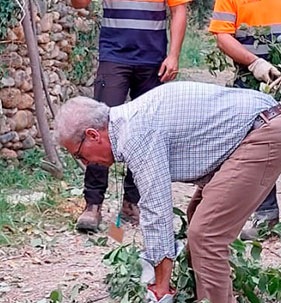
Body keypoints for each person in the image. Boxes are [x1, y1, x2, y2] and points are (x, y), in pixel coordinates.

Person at [54, 81, 281, 303]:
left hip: (264, 133)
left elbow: (157, 210)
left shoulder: (136, 133)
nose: (86, 163)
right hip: (258, 128)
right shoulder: (130, 123)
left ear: (93, 135)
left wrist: (161, 288)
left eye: (79, 154)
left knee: (206, 235)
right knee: (199, 219)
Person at [210, 0, 281, 251]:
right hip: (251, 83)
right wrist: (254, 63)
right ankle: (266, 218)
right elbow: (223, 36)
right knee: (257, 154)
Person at [68, 0, 191, 232]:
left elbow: (178, 10)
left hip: (153, 60)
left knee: (146, 132)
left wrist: (173, 55)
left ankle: (131, 202)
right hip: (114, 58)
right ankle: (92, 205)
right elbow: (79, 4)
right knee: (99, 127)